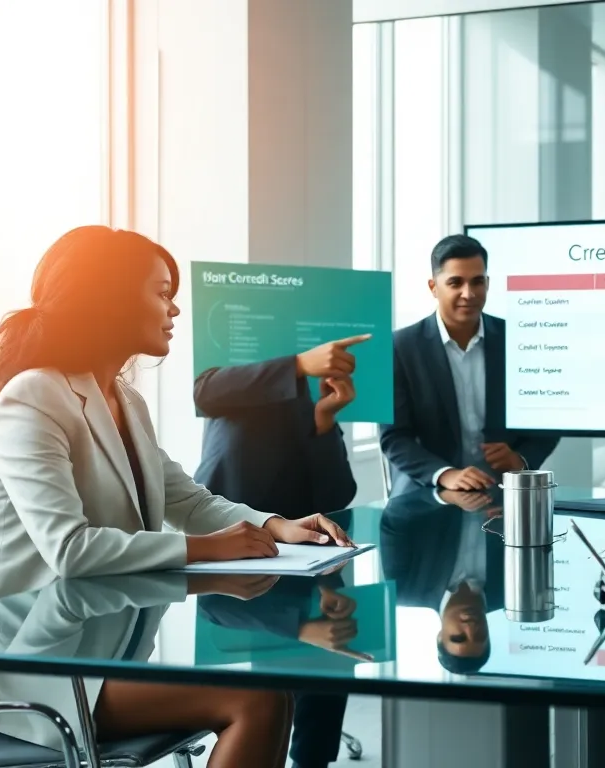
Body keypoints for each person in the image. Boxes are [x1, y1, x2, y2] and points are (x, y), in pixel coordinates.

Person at [0, 226, 351, 768]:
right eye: (161, 293)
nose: (174, 309)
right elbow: (70, 550)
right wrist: (209, 549)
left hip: (97, 641)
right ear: (109, 298)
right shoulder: (32, 397)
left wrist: (275, 525)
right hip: (14, 664)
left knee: (269, 692)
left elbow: (187, 500)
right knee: (257, 700)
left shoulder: (124, 401)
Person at [193, 345, 368, 768]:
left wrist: (325, 421)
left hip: (302, 560)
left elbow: (338, 495)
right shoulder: (233, 378)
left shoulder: (311, 400)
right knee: (270, 698)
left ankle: (312, 759)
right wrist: (298, 365)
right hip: (234, 562)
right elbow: (204, 392)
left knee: (328, 664)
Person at [379, 234, 560, 496]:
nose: (469, 293)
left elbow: (547, 420)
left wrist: (520, 459)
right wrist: (445, 474)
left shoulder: (519, 341)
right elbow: (394, 437)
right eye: (455, 283)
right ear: (433, 287)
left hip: (504, 491)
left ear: (488, 283)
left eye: (477, 281)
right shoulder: (399, 347)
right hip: (427, 491)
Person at [379, 487, 505, 674]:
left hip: (431, 481)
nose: (471, 628)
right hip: (501, 482)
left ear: (440, 636)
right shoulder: (512, 591)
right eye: (480, 636)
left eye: (458, 637)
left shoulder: (405, 590)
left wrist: (442, 496)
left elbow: (394, 518)